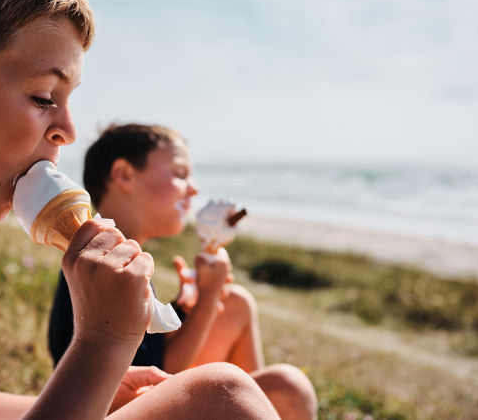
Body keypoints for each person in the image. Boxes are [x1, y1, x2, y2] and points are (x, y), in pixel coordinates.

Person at [0, 0, 281, 419]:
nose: (68, 130)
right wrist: (101, 346)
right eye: (43, 96)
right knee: (224, 396)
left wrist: (96, 392)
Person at [49, 124, 318, 419]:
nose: (194, 188)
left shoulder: (109, 256)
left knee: (236, 304)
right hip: (105, 408)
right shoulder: (106, 267)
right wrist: (207, 298)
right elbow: (157, 375)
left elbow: (144, 344)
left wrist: (181, 308)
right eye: (179, 173)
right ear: (124, 175)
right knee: (287, 387)